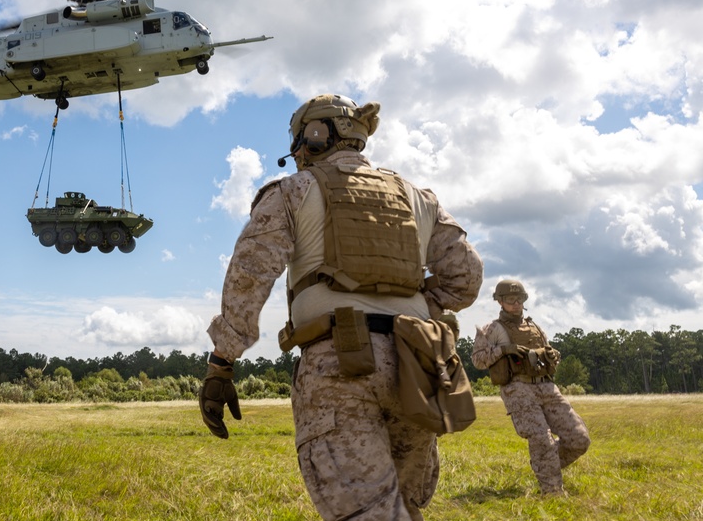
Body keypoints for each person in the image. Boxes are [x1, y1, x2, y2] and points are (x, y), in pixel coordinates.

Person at [199, 94, 484, 521]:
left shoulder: (293, 192)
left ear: (315, 136)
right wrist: (414, 303)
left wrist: (222, 362)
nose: (296, 155)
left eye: (299, 144)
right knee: (404, 508)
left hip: (340, 367)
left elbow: (249, 276)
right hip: (418, 365)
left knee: (368, 513)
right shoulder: (417, 197)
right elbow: (466, 277)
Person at [470, 278, 590, 495]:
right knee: (541, 440)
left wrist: (554, 356)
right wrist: (504, 350)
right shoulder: (491, 329)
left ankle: (544, 466)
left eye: (520, 299)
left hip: (546, 387)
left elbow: (548, 356)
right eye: (510, 299)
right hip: (518, 390)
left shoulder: (535, 327)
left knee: (578, 438)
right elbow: (478, 360)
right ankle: (552, 493)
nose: (516, 304)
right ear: (500, 302)